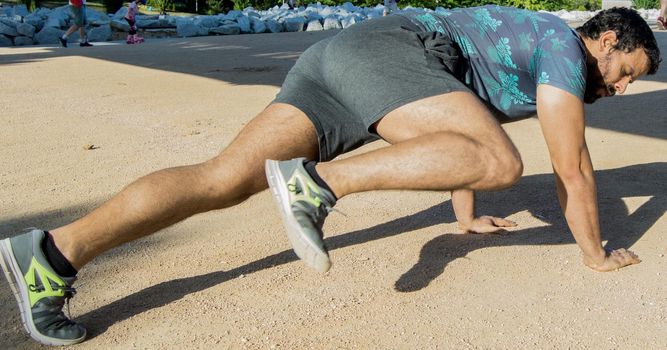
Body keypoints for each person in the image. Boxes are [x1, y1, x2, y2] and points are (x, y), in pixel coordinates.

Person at [0, 5, 660, 346]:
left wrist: (462, 215)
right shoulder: (559, 48)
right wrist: (594, 255)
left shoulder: (528, 51)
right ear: (603, 39)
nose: (624, 87)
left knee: (222, 179)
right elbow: (571, 168)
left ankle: (53, 254)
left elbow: (459, 115)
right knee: (501, 161)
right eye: (627, 70)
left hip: (350, 63)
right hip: (390, 55)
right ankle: (317, 185)